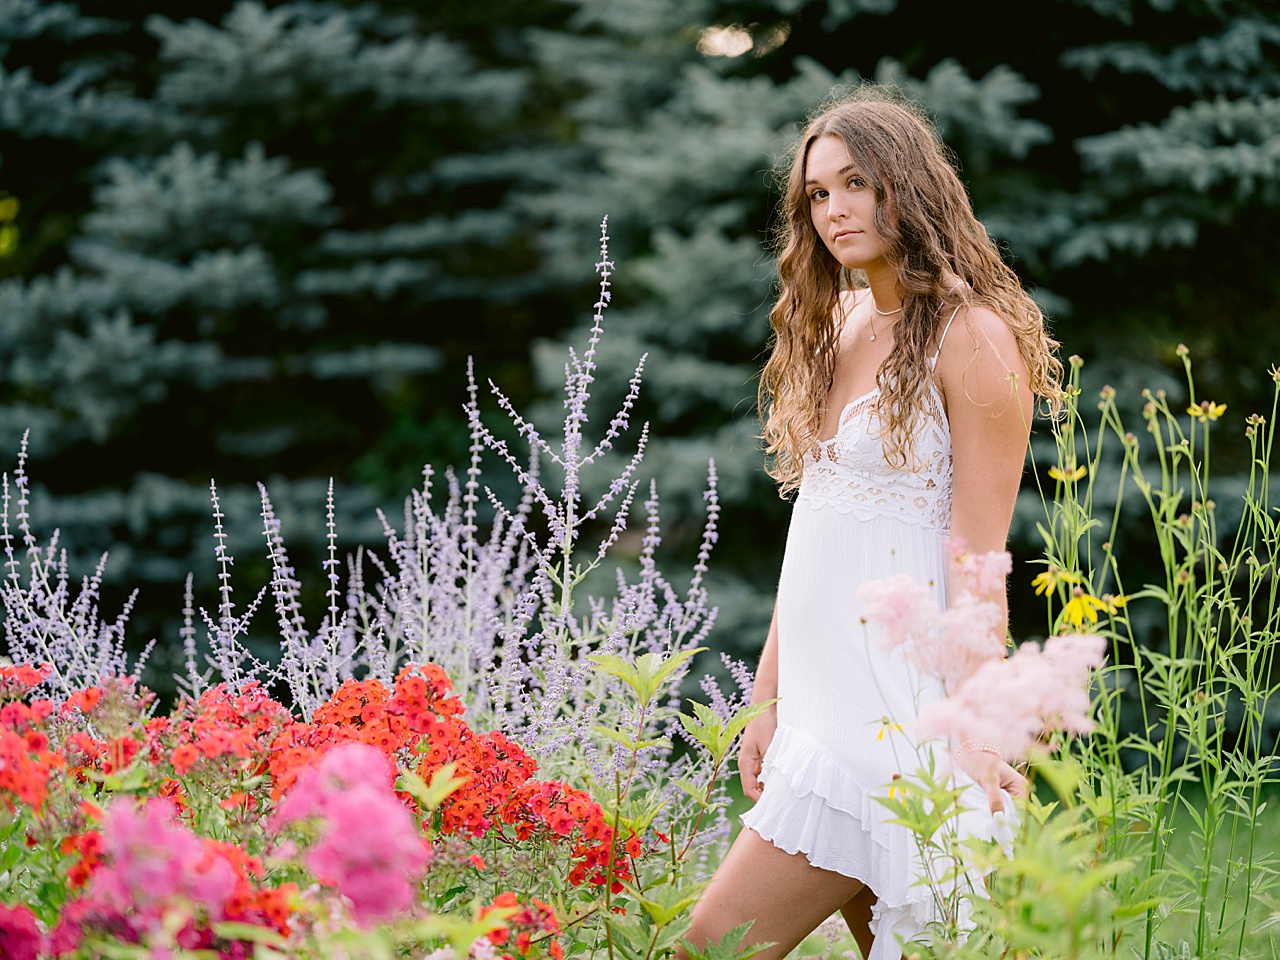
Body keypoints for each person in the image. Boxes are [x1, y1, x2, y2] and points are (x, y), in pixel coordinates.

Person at [679, 87, 1063, 960]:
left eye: (857, 183)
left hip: (895, 716)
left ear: (910, 186)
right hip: (820, 707)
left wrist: (977, 724)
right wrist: (767, 698)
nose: (835, 211)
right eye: (817, 193)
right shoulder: (841, 320)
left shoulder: (971, 336)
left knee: (709, 947)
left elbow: (978, 552)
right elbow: (815, 528)